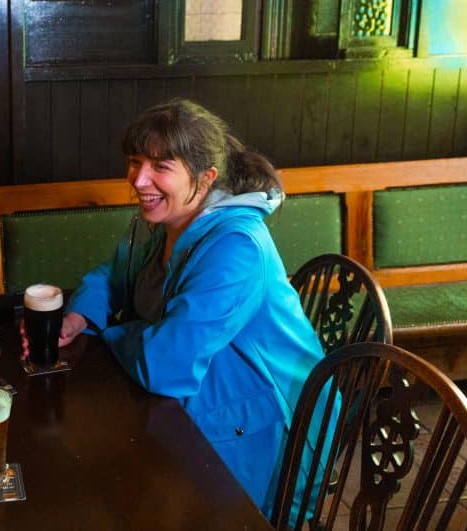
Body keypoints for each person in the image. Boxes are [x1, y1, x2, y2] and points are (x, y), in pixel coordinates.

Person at [25, 99, 326, 515]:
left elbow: (164, 365)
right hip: (197, 402)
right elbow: (114, 274)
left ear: (206, 178)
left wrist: (109, 335)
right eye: (134, 161)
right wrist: (79, 317)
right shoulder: (166, 220)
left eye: (160, 166)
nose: (138, 179)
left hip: (266, 430)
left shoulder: (237, 247)